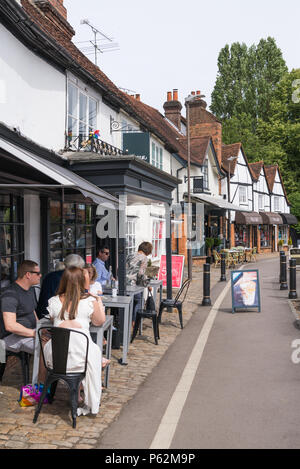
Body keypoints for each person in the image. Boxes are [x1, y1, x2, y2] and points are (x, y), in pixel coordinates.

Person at [44, 267, 105, 416]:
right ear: (81, 281)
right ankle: (81, 392)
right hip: (79, 361)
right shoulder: (89, 301)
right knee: (90, 351)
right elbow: (99, 322)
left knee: (68, 345)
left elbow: (53, 319)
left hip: (56, 360)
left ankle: (74, 394)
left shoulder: (53, 301)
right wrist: (99, 301)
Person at [0, 260, 41, 355]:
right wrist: (34, 334)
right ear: (28, 275)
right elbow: (10, 326)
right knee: (46, 347)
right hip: (11, 337)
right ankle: (41, 370)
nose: (40, 275)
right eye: (38, 273)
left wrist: (40, 327)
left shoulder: (30, 289)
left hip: (30, 332)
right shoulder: (10, 295)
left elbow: (32, 310)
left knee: (57, 339)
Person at [36, 254, 85, 319]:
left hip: (46, 311)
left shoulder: (52, 275)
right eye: (81, 269)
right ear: (76, 268)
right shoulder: (65, 278)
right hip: (49, 314)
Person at [126, 242, 153, 322]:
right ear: (148, 251)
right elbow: (142, 273)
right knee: (139, 300)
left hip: (123, 284)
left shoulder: (129, 255)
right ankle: (134, 322)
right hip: (133, 284)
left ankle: (128, 321)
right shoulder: (144, 258)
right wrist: (148, 285)